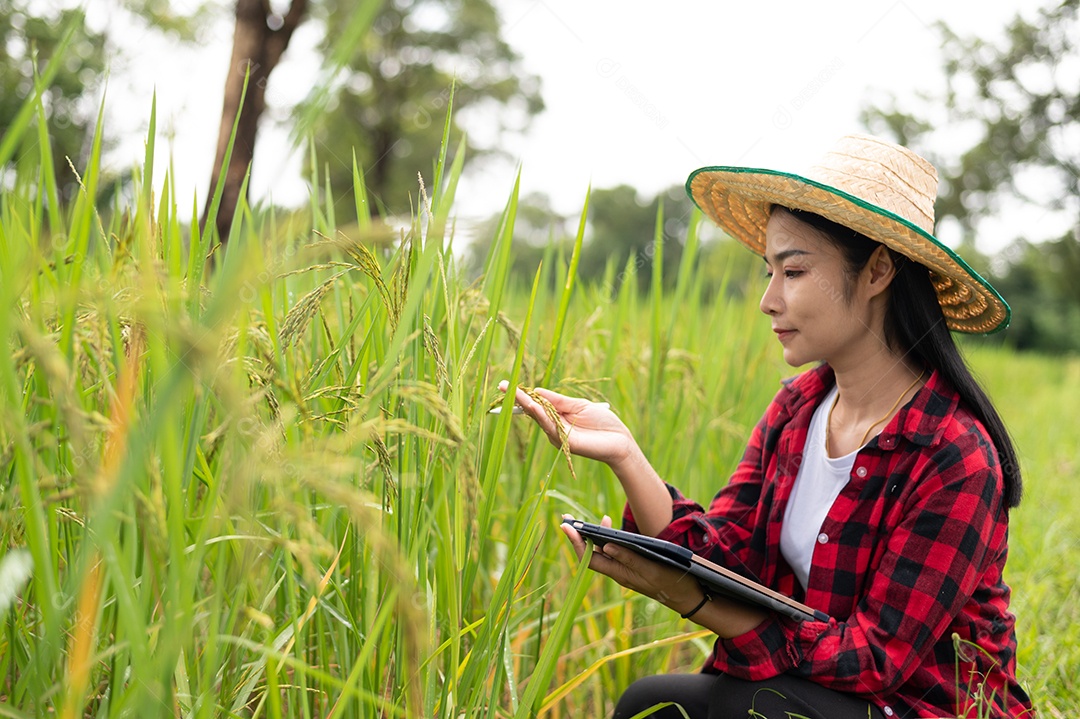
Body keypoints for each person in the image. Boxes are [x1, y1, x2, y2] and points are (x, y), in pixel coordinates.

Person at [502, 135, 1033, 718]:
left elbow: (875, 659)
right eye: (768, 272)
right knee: (652, 704)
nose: (769, 300)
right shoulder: (797, 411)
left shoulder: (954, 454)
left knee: (758, 711)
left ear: (878, 270)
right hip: (814, 693)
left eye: (795, 271)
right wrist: (627, 455)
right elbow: (728, 552)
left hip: (916, 705)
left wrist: (693, 599)